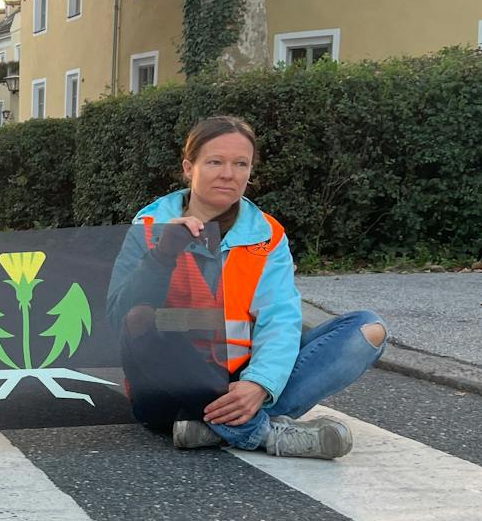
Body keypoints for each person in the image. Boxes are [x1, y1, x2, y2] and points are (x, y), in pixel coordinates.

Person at [111, 115, 387, 460]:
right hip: (169, 385)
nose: (228, 173)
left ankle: (211, 427)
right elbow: (118, 317)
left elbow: (280, 319)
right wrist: (163, 254)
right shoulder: (149, 225)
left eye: (240, 164)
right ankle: (262, 432)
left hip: (242, 375)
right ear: (188, 167)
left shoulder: (267, 234)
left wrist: (259, 383)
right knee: (140, 319)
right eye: (214, 162)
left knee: (367, 329)